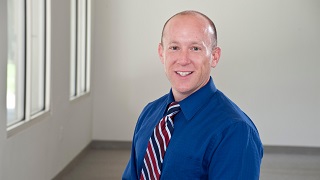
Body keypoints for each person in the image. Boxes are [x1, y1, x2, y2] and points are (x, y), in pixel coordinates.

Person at [122, 10, 263, 180]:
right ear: (161, 53)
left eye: (195, 48)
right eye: (174, 48)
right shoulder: (149, 113)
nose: (183, 60)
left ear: (215, 57)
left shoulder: (235, 131)